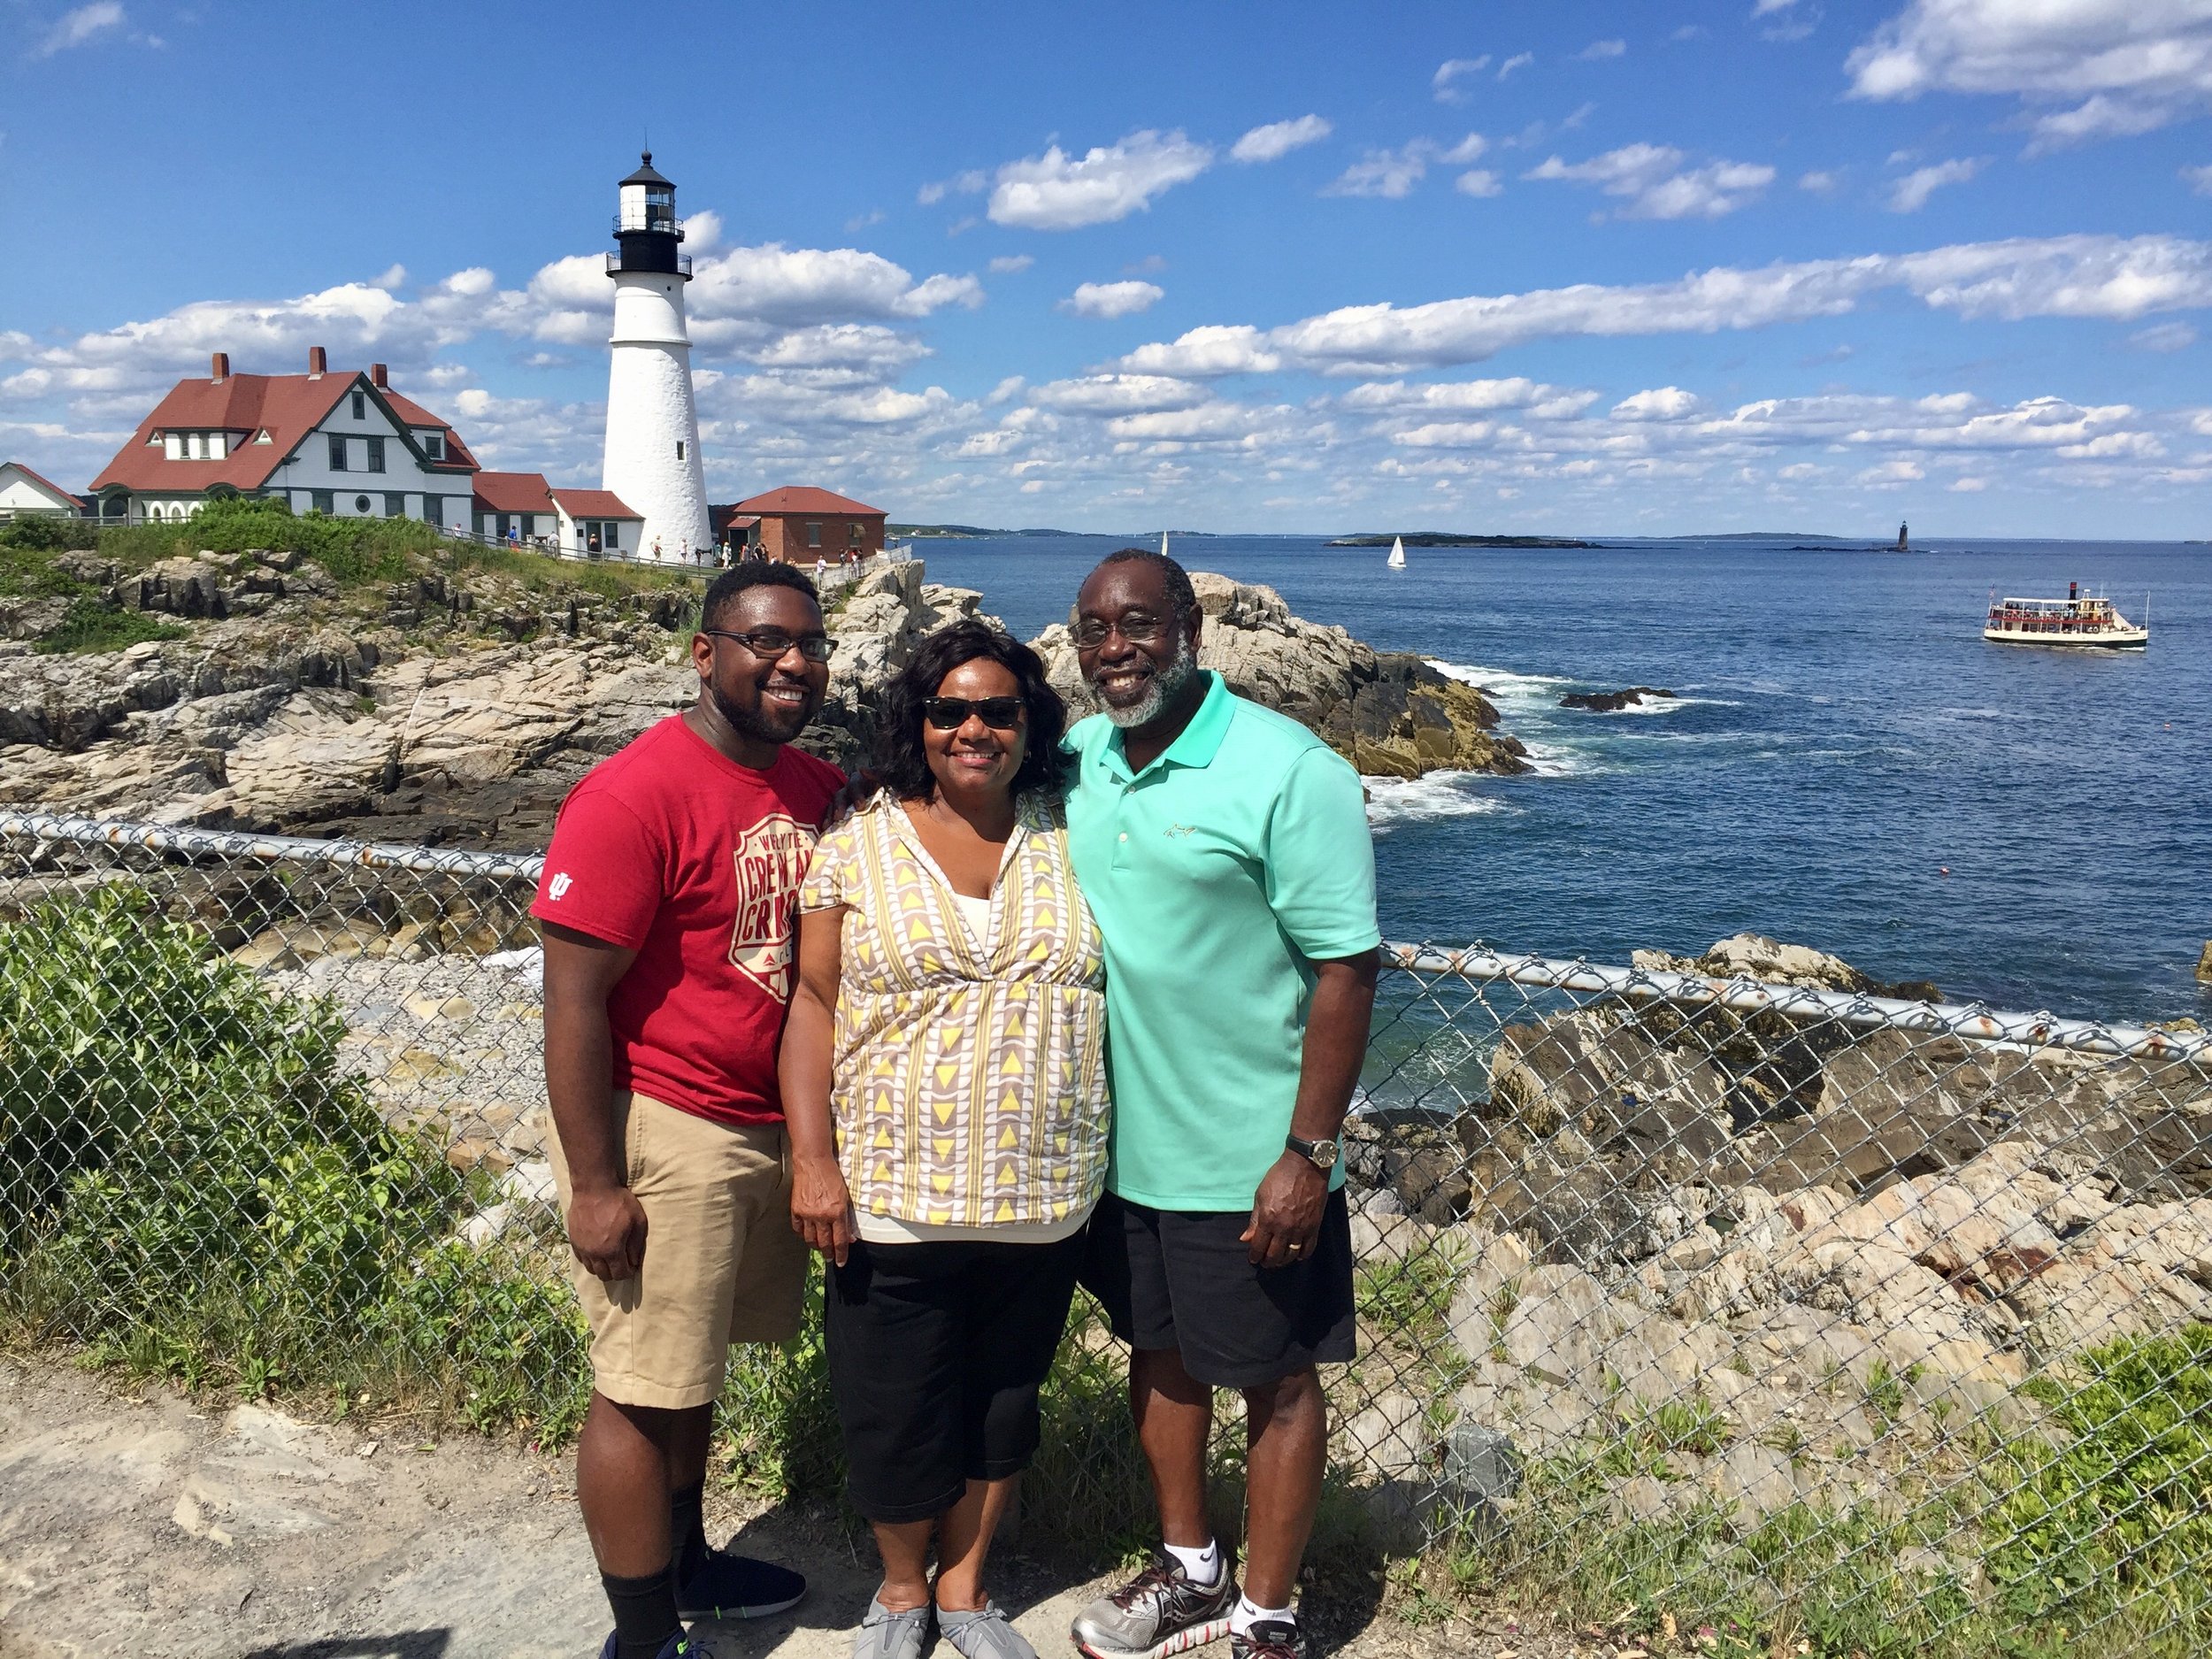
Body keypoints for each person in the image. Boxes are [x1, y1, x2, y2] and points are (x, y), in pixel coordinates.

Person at [1063, 550, 1379, 1659]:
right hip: (1118, 1149)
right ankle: (1192, 1571)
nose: (1114, 648)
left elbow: (1346, 967)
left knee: (1277, 1383)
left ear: (1190, 628)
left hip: (1250, 1153)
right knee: (1160, 1359)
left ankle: (1270, 1614)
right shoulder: (1079, 757)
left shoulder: (1290, 770)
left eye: (1138, 623)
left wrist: (1308, 1152)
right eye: (1093, 627)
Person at [533, 564, 843, 1659]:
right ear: (705, 653)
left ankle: (689, 1564)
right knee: (635, 1388)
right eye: (765, 641)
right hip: (670, 1126)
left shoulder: (812, 787)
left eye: (810, 643)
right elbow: (572, 1001)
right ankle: (642, 1631)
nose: (793, 662)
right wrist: (595, 1184)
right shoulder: (632, 793)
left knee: (689, 1374)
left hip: (771, 1125)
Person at [782, 620, 1109, 1659]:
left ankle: (964, 1590)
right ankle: (896, 1592)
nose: (974, 729)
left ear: (1030, 723)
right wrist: (813, 1161)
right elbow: (812, 1003)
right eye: (949, 711)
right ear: (917, 721)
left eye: (998, 711)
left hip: (1043, 1187)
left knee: (1002, 1408)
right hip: (888, 1189)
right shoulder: (857, 836)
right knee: (893, 1410)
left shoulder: (1073, 826)